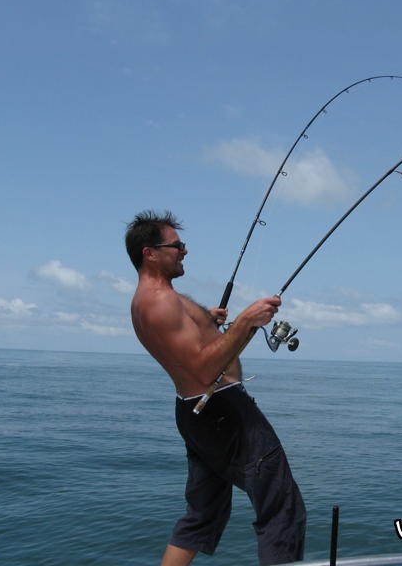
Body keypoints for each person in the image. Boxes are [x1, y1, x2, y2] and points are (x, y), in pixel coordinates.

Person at [125, 210, 306, 566]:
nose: (184, 251)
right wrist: (248, 323)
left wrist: (206, 321)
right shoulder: (160, 303)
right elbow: (205, 368)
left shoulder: (152, 300)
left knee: (202, 515)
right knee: (281, 508)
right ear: (150, 253)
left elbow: (187, 350)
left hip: (196, 413)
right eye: (176, 246)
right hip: (223, 413)